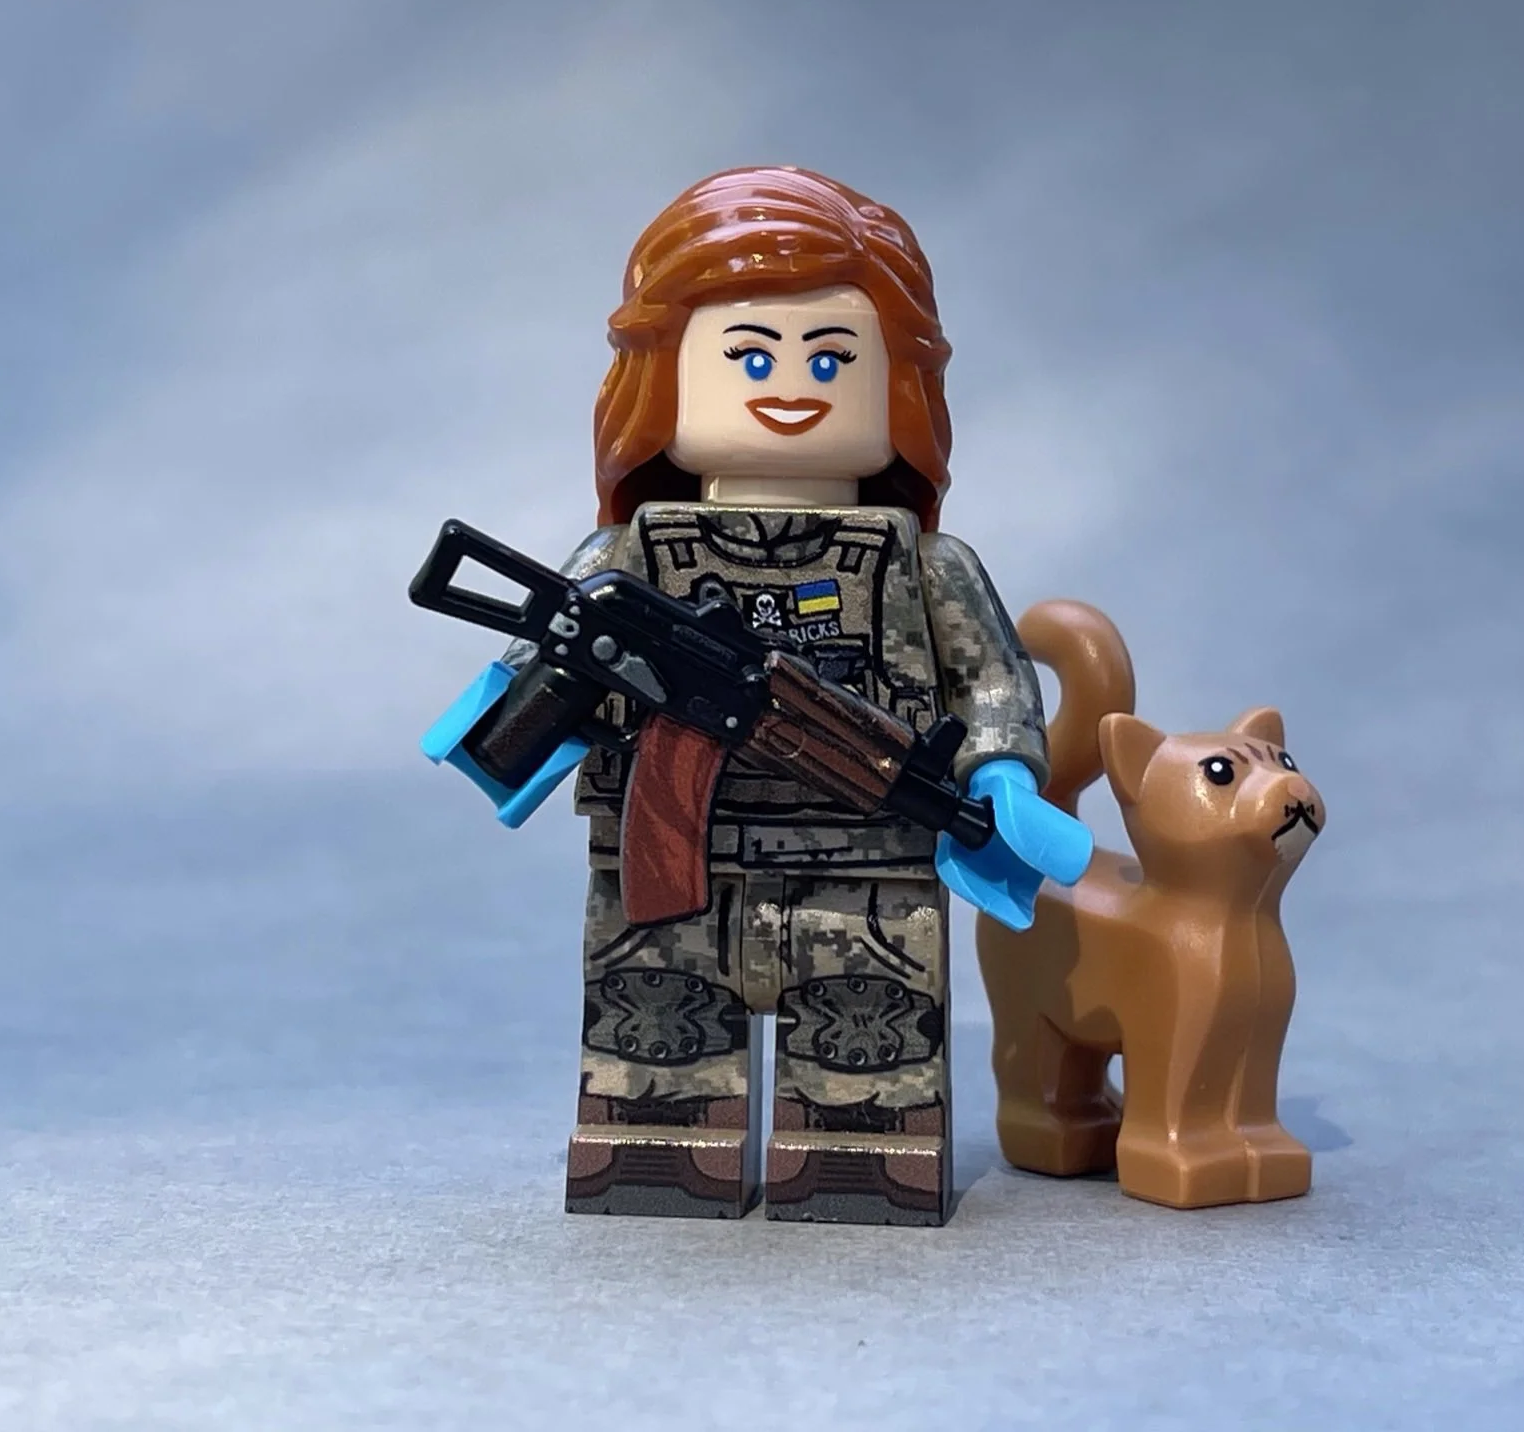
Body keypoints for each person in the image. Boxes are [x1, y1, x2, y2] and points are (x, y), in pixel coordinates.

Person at [424, 166, 1090, 1226]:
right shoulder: (629, 556)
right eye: (746, 355)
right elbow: (536, 662)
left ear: (900, 387)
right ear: (660, 380)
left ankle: (858, 1155)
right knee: (657, 1028)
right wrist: (516, 726)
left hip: (867, 860)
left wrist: (1000, 771)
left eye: (833, 358)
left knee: (866, 1047)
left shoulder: (927, 565)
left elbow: (990, 678)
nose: (793, 385)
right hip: (667, 869)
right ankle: (656, 1143)